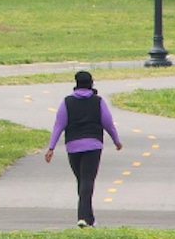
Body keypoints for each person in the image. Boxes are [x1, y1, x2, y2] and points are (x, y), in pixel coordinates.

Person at [44, 70, 122, 228]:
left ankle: (89, 218)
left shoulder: (67, 102)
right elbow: (108, 123)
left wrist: (51, 147)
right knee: (87, 181)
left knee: (82, 181)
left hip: (73, 146)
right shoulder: (98, 101)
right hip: (93, 145)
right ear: (91, 83)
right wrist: (116, 140)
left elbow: (59, 125)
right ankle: (83, 217)